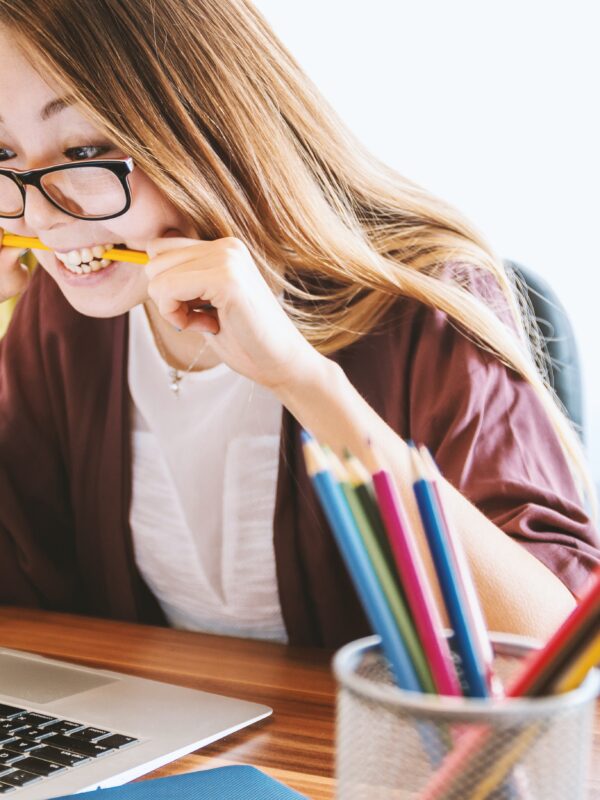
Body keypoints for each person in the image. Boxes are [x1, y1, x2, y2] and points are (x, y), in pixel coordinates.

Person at [0, 0, 598, 648]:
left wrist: (300, 378)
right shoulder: (63, 316)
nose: (38, 214)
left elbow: (559, 652)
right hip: (172, 742)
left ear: (207, 120)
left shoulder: (424, 304)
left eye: (84, 147)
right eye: (3, 151)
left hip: (374, 751)